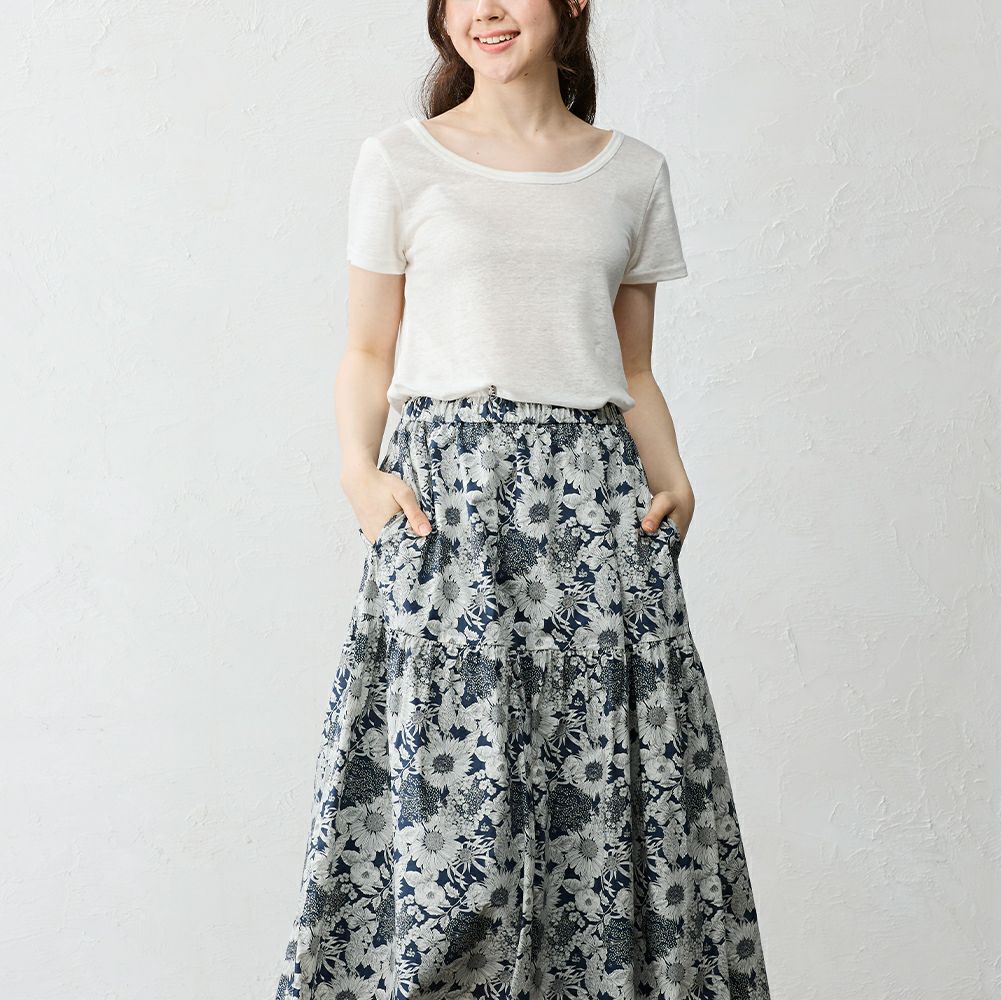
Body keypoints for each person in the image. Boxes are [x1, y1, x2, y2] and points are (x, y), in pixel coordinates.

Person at [274, 3, 771, 999]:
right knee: (447, 821)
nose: (484, 11)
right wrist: (359, 476)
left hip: (597, 508)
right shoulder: (400, 160)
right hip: (448, 509)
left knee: (609, 795)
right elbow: (367, 348)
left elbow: (632, 367)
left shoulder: (632, 173)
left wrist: (672, 478)